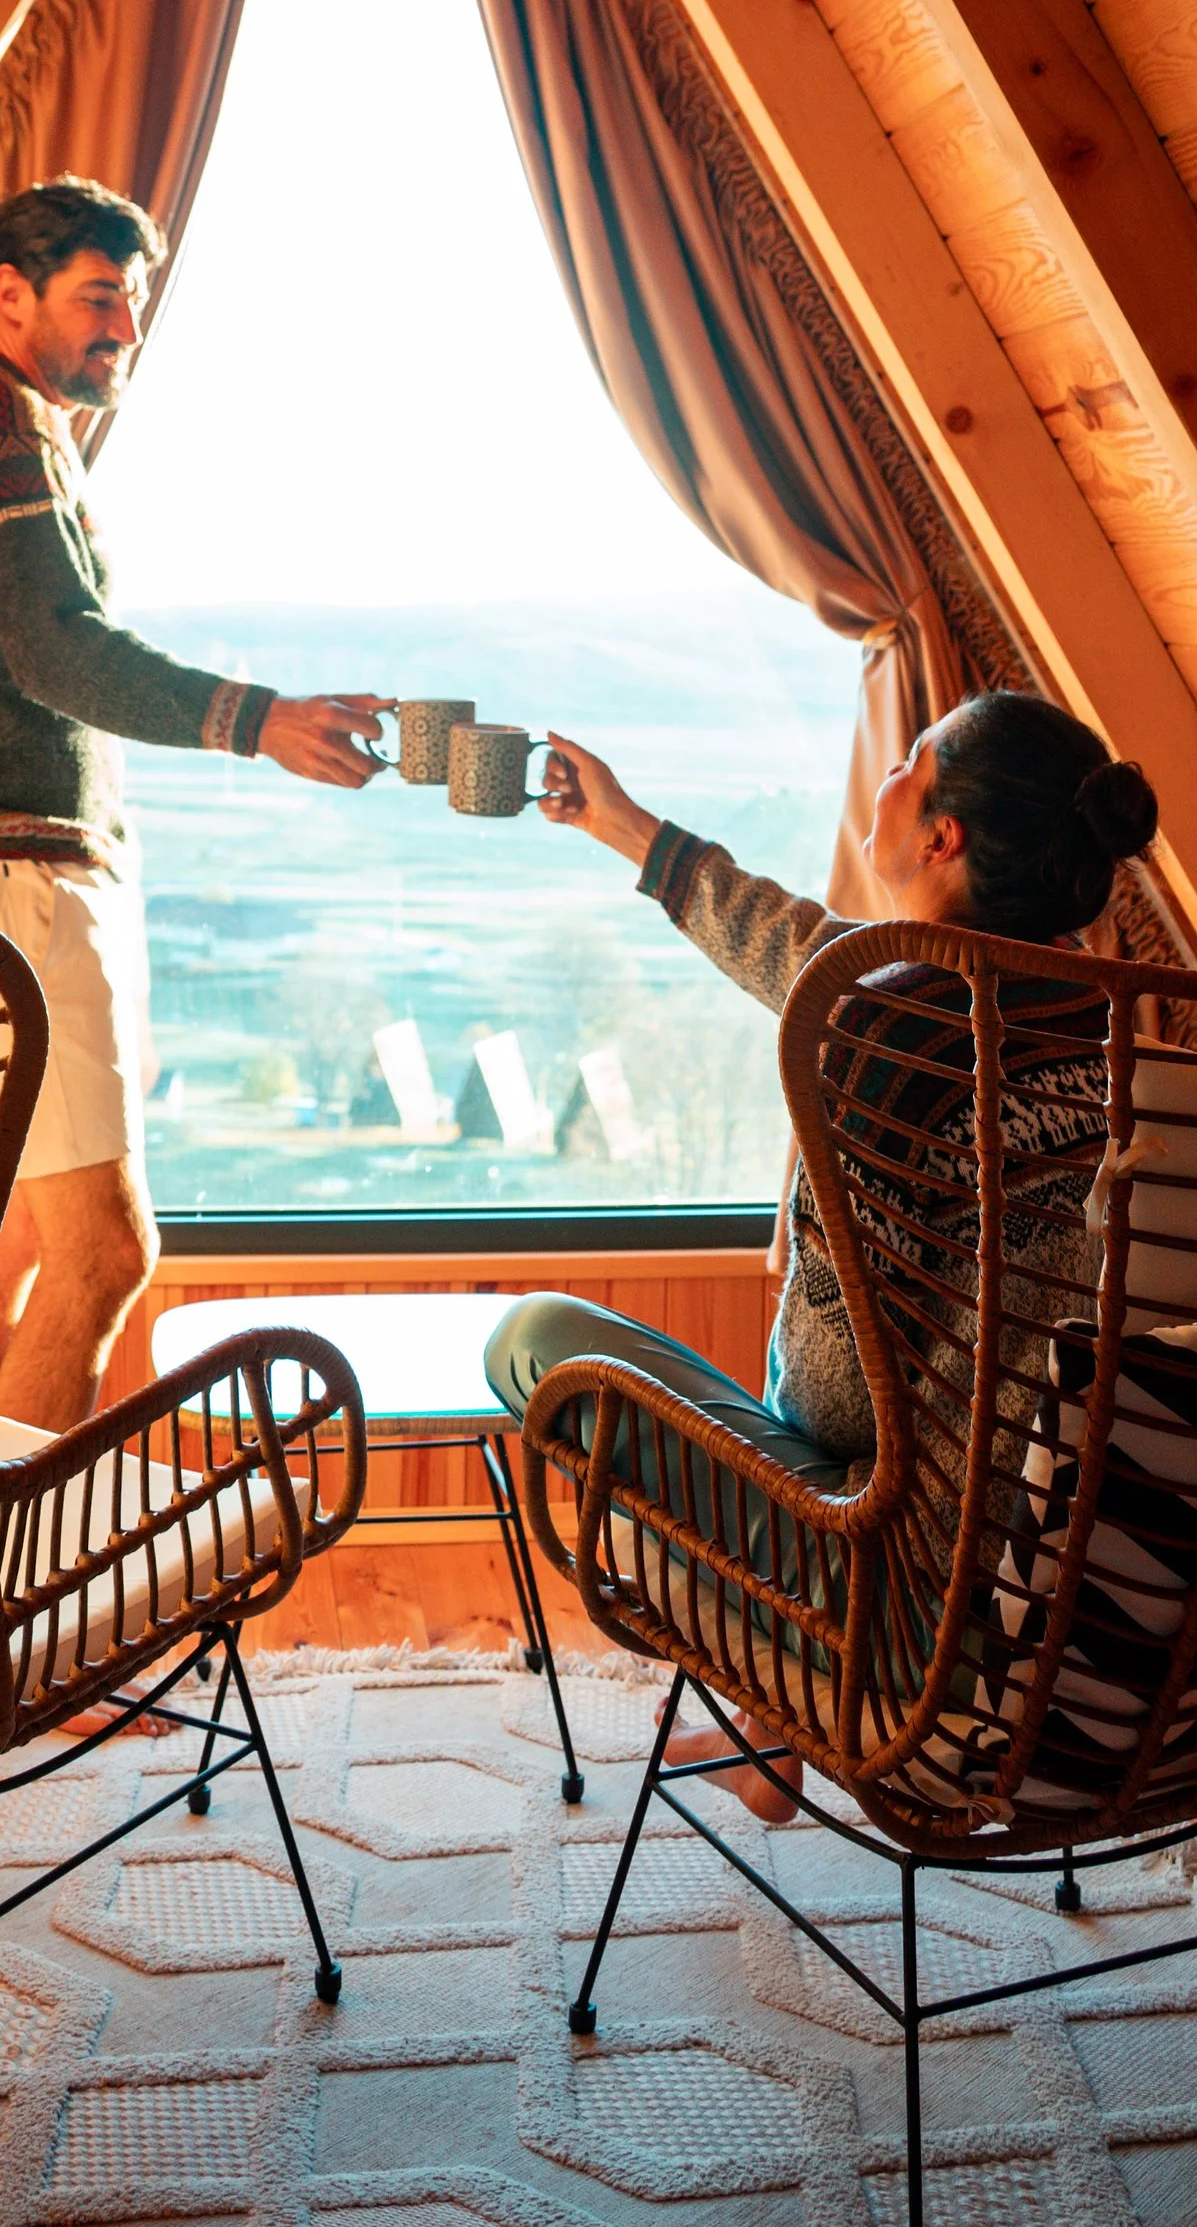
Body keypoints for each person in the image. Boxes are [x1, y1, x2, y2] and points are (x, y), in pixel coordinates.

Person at [487, 688, 1159, 1818]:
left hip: (905, 1618)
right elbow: (809, 950)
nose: (888, 772)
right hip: (1072, 1592)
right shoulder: (1104, 1020)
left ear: (940, 833)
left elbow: (843, 1403)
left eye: (909, 759)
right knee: (838, 1371)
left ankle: (788, 1701)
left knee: (536, 1342)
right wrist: (630, 829)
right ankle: (766, 1734)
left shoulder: (879, 1031)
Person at [0, 176, 391, 1430]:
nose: (125, 329)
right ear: (13, 293)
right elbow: (60, 650)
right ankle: (11, 1590)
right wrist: (258, 719)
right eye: (100, 297)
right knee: (107, 1252)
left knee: (1, 1249)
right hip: (10, 891)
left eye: (134, 302)